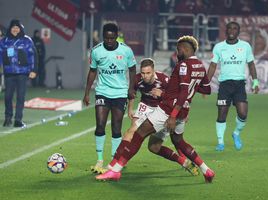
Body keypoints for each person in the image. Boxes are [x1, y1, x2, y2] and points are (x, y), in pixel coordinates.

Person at [96, 35, 215, 183]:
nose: (177, 54)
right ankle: (206, 170)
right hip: (184, 110)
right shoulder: (200, 66)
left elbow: (184, 91)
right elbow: (206, 89)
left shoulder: (183, 65)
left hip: (168, 109)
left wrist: (172, 115)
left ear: (184, 49)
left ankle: (115, 170)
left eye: (178, 50)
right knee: (178, 142)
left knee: (139, 134)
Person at [101, 58, 199, 176]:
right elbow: (132, 93)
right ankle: (113, 164)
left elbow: (180, 96)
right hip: (145, 106)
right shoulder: (137, 79)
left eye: (148, 73)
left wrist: (184, 113)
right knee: (130, 132)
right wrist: (130, 108)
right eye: (143, 73)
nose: (145, 76)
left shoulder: (164, 80)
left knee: (155, 147)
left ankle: (183, 160)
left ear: (154, 71)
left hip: (162, 109)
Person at [83, 22, 136, 173]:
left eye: (112, 38)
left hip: (120, 93)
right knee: (100, 124)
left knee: (116, 127)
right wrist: (87, 92)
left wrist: (131, 88)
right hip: (102, 92)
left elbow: (132, 69)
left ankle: (114, 158)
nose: (109, 41)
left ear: (117, 36)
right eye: (106, 38)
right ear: (103, 37)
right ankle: (99, 160)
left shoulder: (126, 50)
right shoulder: (96, 51)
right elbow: (92, 71)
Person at [207, 21, 259, 151]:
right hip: (225, 85)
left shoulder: (245, 46)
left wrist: (255, 81)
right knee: (222, 114)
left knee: (243, 114)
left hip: (239, 85)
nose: (232, 30)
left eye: (235, 28)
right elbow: (213, 65)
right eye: (229, 28)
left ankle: (236, 133)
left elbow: (251, 64)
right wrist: (205, 82)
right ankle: (220, 142)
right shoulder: (219, 47)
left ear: (238, 31)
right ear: (226, 31)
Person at [0, 19, 37, 127]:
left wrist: (34, 70)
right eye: (13, 27)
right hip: (9, 73)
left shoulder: (27, 40)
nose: (15, 29)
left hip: (23, 73)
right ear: (10, 29)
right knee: (7, 97)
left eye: (17, 28)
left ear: (21, 29)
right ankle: (8, 118)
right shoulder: (4, 41)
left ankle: (18, 120)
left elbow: (33, 56)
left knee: (20, 97)